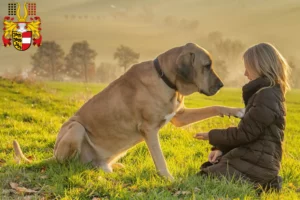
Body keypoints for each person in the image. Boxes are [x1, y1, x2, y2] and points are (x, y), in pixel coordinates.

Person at [194, 42, 290, 192]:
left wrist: (211, 135)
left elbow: (243, 134)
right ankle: (268, 182)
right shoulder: (267, 93)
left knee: (206, 176)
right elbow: (248, 132)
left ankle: (268, 183)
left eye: (248, 68)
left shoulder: (267, 95)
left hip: (259, 164)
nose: (245, 73)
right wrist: (220, 149)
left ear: (260, 66)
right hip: (256, 158)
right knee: (211, 169)